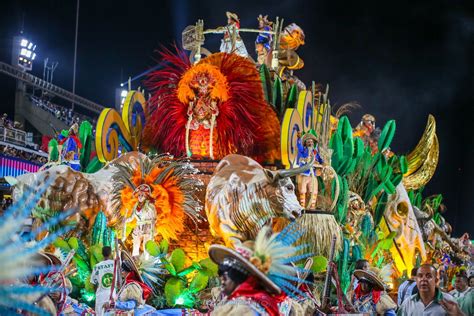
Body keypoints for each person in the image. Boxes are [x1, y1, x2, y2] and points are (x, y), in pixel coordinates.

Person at [208, 224, 311, 316]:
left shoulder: (242, 308)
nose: (222, 279)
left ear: (240, 276)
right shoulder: (265, 303)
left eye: (226, 274)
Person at [398, 264, 465, 315]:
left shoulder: (448, 301)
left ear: (435, 280)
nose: (423, 279)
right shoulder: (408, 303)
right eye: (420, 276)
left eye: (428, 276)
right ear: (416, 280)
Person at [296, 129, 324, 209]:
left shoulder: (315, 152)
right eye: (308, 142)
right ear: (305, 143)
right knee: (302, 191)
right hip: (305, 174)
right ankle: (302, 207)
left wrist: (323, 164)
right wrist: (298, 138)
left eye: (311, 142)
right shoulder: (303, 151)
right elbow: (299, 146)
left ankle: (312, 207)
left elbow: (321, 160)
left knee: (314, 191)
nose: (310, 143)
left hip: (313, 175)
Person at [90, 246, 115, 316]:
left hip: (101, 294)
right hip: (112, 294)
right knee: (112, 313)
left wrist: (96, 293)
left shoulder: (97, 266)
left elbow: (94, 283)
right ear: (111, 253)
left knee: (99, 314)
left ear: (102, 254)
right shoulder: (115, 264)